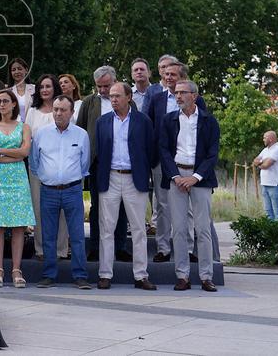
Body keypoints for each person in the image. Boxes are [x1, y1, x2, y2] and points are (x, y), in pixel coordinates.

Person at [95, 83, 157, 291]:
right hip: (110, 178)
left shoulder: (143, 121)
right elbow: (99, 152)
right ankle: (105, 274)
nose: (113, 99)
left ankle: (141, 276)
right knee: (107, 229)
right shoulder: (102, 122)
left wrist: (142, 170)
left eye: (117, 96)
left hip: (134, 179)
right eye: (111, 96)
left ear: (129, 97)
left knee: (139, 229)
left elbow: (152, 151)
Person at [159, 80, 219, 292]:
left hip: (200, 177)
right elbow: (164, 151)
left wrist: (195, 177)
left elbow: (213, 154)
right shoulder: (169, 120)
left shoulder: (208, 121)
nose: (178, 96)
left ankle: (206, 276)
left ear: (194, 95)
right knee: (179, 229)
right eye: (176, 93)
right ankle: (182, 276)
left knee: (202, 229)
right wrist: (175, 176)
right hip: (176, 176)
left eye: (183, 92)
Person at [30, 95, 91, 290]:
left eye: (63, 110)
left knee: (77, 235)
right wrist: (49, 178)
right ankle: (49, 274)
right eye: (55, 109)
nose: (58, 113)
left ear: (72, 112)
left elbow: (84, 164)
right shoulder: (41, 133)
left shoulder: (81, 135)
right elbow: (34, 162)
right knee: (48, 235)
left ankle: (80, 276)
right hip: (48, 191)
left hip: (72, 190)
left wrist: (69, 179)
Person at [0, 89, 34, 288]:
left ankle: (17, 269)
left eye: (6, 101)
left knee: (19, 226)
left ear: (13, 104)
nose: (2, 104)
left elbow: (25, 152)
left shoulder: (24, 127)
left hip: (18, 178)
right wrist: (13, 154)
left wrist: (1, 150)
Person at [76, 66, 129, 263]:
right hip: (98, 163)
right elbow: (80, 130)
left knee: (122, 206)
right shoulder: (90, 102)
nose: (103, 90)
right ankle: (96, 247)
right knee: (98, 206)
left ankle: (121, 246)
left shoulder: (126, 100)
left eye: (106, 86)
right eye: (99, 86)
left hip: (122, 162)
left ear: (115, 82)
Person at [24, 74, 68, 261]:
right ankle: (41, 249)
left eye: (48, 86)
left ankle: (60, 250)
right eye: (41, 87)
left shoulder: (61, 109)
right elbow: (27, 137)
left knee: (62, 210)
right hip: (38, 168)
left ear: (55, 88)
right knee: (39, 208)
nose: (44, 90)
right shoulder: (32, 112)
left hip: (62, 167)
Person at [252, 130, 278, 219]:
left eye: (264, 138)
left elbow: (266, 165)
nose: (263, 139)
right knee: (268, 211)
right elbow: (255, 161)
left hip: (275, 184)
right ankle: (270, 231)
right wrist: (262, 162)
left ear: (270, 139)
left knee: (276, 212)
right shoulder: (265, 150)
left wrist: (261, 163)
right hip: (265, 184)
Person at [8, 57, 34, 123]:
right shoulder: (8, 92)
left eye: (19, 69)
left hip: (32, 126)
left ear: (26, 70)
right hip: (14, 127)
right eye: (13, 70)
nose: (17, 72)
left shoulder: (35, 89)